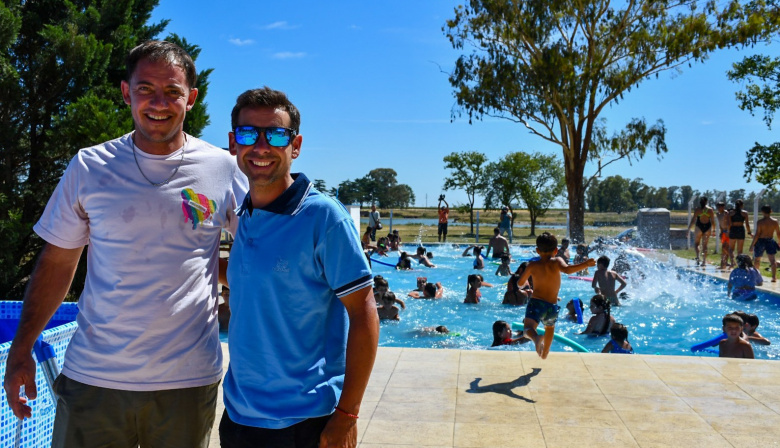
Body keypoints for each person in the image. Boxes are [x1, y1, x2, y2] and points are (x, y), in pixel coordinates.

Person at [2, 41, 248, 447]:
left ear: (192, 98)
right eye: (145, 88)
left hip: (186, 383)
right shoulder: (90, 165)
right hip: (94, 378)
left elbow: (258, 252)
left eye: (172, 91)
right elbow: (58, 264)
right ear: (125, 92)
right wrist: (20, 349)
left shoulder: (222, 168)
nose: (158, 102)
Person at [221, 87, 378, 447]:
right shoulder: (246, 214)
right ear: (233, 143)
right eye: (248, 133)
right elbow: (252, 274)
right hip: (239, 417)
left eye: (276, 134)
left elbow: (365, 312)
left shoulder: (323, 217)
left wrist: (348, 414)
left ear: (296, 146)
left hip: (306, 422)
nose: (261, 146)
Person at [516, 232, 596, 358]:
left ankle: (536, 338)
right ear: (556, 250)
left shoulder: (532, 265)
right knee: (549, 328)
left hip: (536, 302)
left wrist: (522, 284)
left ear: (537, 251)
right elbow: (568, 270)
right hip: (552, 305)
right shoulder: (557, 262)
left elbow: (520, 283)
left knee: (527, 329)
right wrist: (585, 264)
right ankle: (545, 353)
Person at [750, 205, 780, 282]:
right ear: (771, 211)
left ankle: (756, 276)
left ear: (762, 212)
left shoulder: (760, 222)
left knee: (757, 259)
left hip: (761, 241)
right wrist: (779, 242)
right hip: (770, 240)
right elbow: (778, 233)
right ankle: (774, 277)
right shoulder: (775, 221)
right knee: (772, 260)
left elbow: (757, 234)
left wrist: (752, 245)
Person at [687, 197, 714, 266]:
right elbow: (713, 221)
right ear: (706, 202)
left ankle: (698, 257)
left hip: (699, 227)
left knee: (696, 244)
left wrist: (689, 229)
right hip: (707, 227)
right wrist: (714, 230)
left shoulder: (697, 209)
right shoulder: (710, 210)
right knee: (705, 245)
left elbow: (693, 220)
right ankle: (704, 261)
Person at [716, 201, 735, 269]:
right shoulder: (718, 214)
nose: (718, 208)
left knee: (726, 248)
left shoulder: (726, 213)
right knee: (724, 249)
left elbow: (729, 223)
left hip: (728, 231)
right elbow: (720, 224)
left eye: (720, 206)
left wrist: (728, 231)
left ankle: (732, 261)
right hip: (723, 231)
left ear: (723, 207)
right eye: (717, 207)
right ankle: (723, 264)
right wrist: (721, 232)